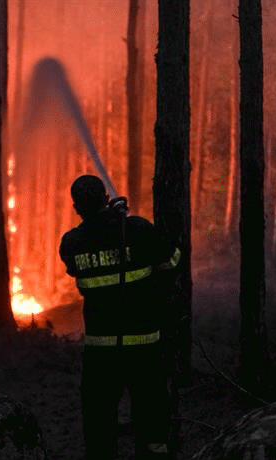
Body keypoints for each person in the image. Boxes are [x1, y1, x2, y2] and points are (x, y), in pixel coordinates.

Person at [59, 175, 181, 460]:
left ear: (77, 208)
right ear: (105, 199)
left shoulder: (72, 243)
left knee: (98, 421)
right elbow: (172, 260)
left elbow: (77, 267)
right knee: (153, 419)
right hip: (144, 347)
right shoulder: (137, 230)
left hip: (100, 353)